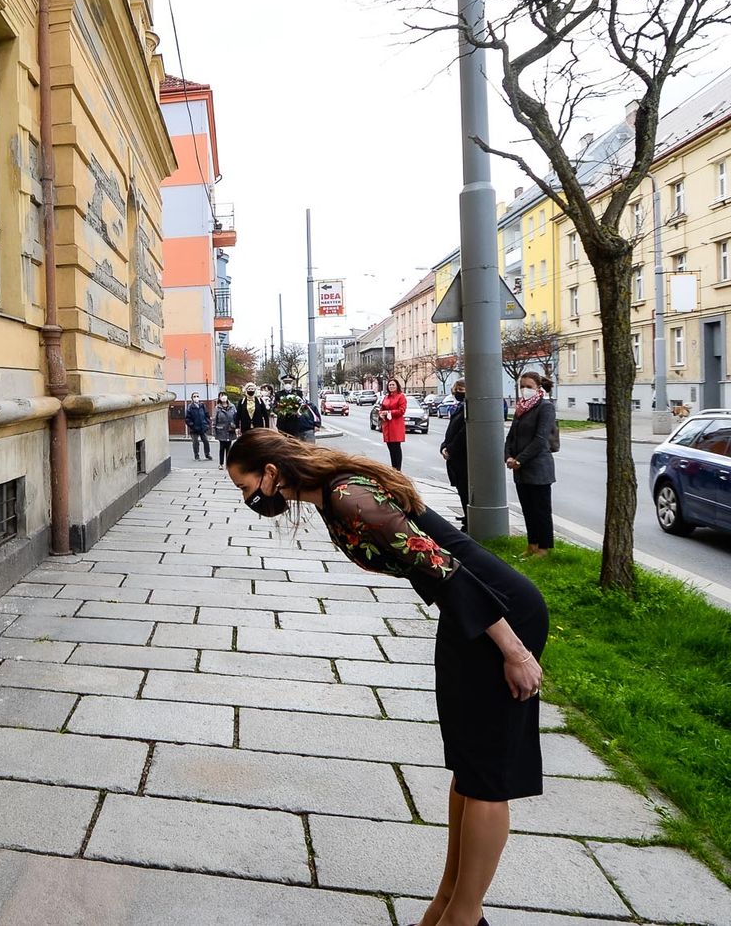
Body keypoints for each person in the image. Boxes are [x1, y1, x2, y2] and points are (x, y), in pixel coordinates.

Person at [225, 429, 546, 926]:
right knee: (468, 764)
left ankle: (464, 916)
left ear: (271, 473)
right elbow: (428, 571)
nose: (251, 500)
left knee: (487, 776)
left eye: (247, 489)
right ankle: (445, 904)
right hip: (469, 617)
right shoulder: (332, 495)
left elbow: (442, 569)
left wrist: (515, 651)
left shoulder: (346, 495)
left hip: (501, 617)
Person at [505, 371, 557, 556]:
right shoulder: (521, 408)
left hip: (538, 468)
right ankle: (532, 545)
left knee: (540, 510)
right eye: (522, 386)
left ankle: (543, 548)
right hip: (520, 470)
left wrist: (520, 459)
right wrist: (508, 456)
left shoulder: (545, 407)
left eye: (529, 387)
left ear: (538, 388)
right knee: (527, 509)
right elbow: (511, 436)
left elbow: (541, 439)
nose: (525, 390)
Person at [440, 380, 470, 533]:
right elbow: (451, 430)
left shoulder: (469, 406)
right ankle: (467, 517)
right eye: (457, 389)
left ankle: (469, 521)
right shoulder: (460, 406)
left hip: (462, 456)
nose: (458, 392)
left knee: (465, 489)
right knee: (461, 488)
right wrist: (444, 446)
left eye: (462, 389)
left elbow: (463, 432)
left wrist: (449, 449)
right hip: (454, 455)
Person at [379, 378, 408, 471]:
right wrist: (381, 413)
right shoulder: (386, 397)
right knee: (390, 447)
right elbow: (381, 408)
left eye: (393, 385)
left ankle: (398, 469)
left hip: (396, 425)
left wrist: (388, 412)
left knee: (396, 447)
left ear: (397, 386)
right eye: (390, 385)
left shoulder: (401, 396)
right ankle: (393, 468)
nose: (391, 386)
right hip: (387, 424)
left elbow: (401, 410)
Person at [212, 392, 238, 466]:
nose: (223, 397)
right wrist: (214, 431)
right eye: (221, 396)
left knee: (229, 447)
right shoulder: (217, 408)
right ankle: (221, 463)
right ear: (219, 398)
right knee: (222, 447)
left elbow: (236, 417)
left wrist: (235, 425)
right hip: (221, 430)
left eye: (224, 396)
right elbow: (214, 420)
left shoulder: (232, 406)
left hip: (230, 429)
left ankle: (228, 464)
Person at [183, 393, 211, 461]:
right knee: (195, 442)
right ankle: (196, 455)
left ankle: (207, 454)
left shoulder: (202, 405)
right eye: (194, 396)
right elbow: (187, 419)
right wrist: (192, 425)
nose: (196, 398)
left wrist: (207, 423)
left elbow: (207, 415)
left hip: (202, 427)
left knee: (206, 441)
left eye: (197, 396)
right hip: (194, 429)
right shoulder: (190, 407)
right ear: (192, 398)